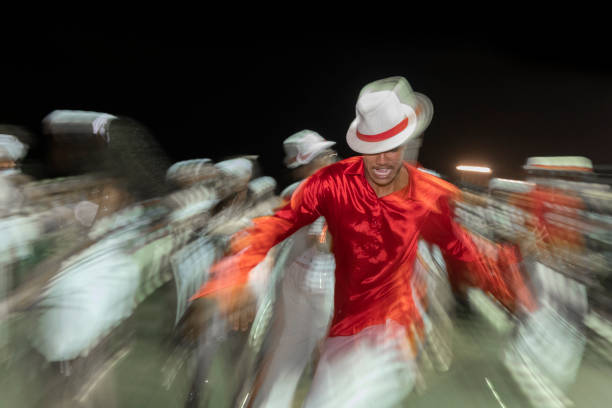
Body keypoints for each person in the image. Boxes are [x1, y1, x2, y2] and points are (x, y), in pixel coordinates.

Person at [192, 76, 535, 407]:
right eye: (375, 148)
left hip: (387, 333)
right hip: (339, 328)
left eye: (394, 145)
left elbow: (462, 248)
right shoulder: (331, 184)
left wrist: (506, 282)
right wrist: (227, 281)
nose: (384, 158)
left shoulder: (427, 194)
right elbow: (272, 227)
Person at [251, 130, 338, 408]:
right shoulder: (315, 192)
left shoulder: (298, 191)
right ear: (307, 162)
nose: (331, 159)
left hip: (300, 281)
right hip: (312, 288)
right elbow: (322, 240)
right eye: (324, 155)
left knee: (286, 362)